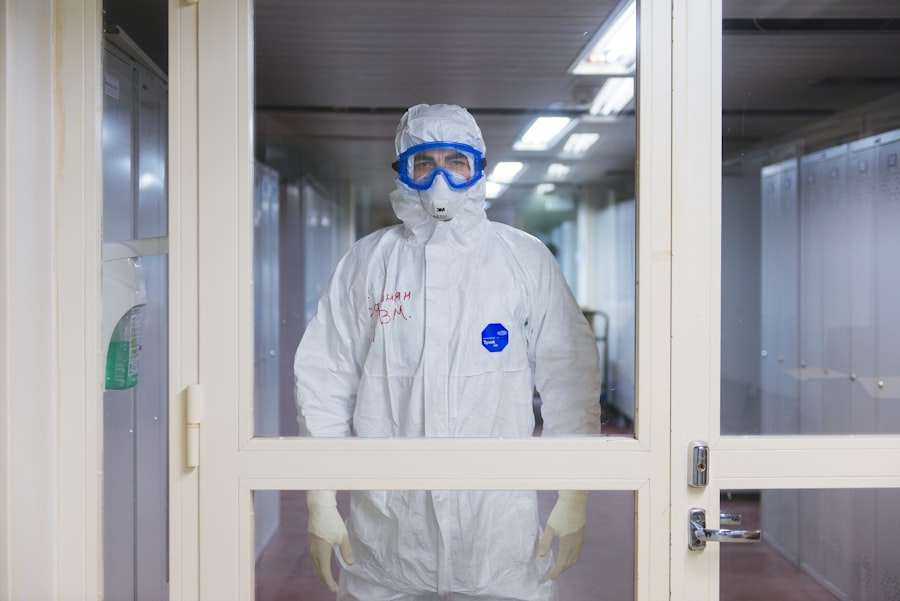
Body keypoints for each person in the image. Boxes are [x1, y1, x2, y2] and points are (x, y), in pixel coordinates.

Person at [294, 103, 602, 601]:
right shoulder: (370, 261)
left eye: (455, 161)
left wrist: (575, 494)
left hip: (499, 545)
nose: (441, 176)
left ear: (478, 167)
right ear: (403, 169)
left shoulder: (522, 258)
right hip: (387, 542)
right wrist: (320, 498)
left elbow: (570, 377)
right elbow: (323, 379)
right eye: (424, 162)